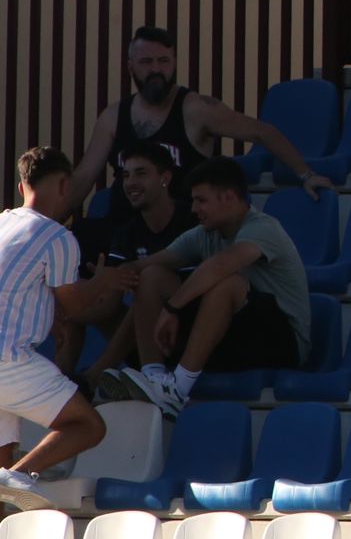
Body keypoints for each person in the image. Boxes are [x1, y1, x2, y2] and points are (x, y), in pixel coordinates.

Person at [100, 158, 311, 419]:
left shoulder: (264, 227)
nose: (194, 209)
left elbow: (220, 265)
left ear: (229, 197)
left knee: (227, 282)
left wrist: (172, 308)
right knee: (152, 276)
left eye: (201, 200)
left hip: (283, 345)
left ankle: (178, 388)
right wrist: (103, 280)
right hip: (237, 339)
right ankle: (154, 379)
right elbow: (149, 263)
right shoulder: (204, 233)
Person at [65, 25, 335, 228]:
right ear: (130, 67)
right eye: (146, 62)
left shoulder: (196, 110)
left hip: (179, 231)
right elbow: (84, 176)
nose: (156, 70)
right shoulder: (113, 116)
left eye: (164, 61)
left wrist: (306, 175)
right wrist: (45, 219)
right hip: (124, 229)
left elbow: (261, 131)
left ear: (174, 64)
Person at [0, 149, 135, 510]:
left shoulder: (1, 223)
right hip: (9, 360)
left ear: (21, 185)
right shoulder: (58, 237)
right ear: (64, 185)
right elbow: (76, 305)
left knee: (1, 458)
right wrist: (105, 282)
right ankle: (20, 475)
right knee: (88, 425)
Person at [64, 144, 196, 380]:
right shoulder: (127, 233)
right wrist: (92, 291)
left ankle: (99, 376)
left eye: (141, 173)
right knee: (79, 301)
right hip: (147, 336)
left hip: (191, 332)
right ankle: (61, 385)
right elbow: (108, 305)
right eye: (126, 176)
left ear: (165, 178)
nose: (130, 182)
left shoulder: (192, 220)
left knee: (150, 278)